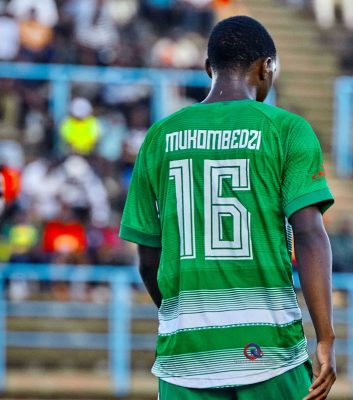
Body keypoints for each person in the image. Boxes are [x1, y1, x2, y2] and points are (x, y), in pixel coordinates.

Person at [119, 16, 336, 400]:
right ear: (266, 67)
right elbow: (308, 234)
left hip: (184, 359)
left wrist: (185, 318)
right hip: (270, 351)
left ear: (209, 68)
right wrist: (325, 337)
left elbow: (148, 259)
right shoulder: (286, 129)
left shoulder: (159, 136)